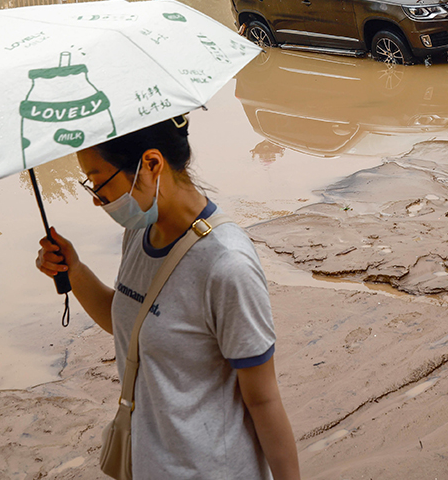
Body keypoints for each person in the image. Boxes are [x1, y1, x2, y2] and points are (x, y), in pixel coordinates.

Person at [36, 116, 301, 479]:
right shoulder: (141, 232)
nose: (98, 201)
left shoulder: (226, 265)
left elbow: (263, 399)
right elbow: (130, 322)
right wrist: (76, 270)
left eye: (100, 183)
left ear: (151, 164)